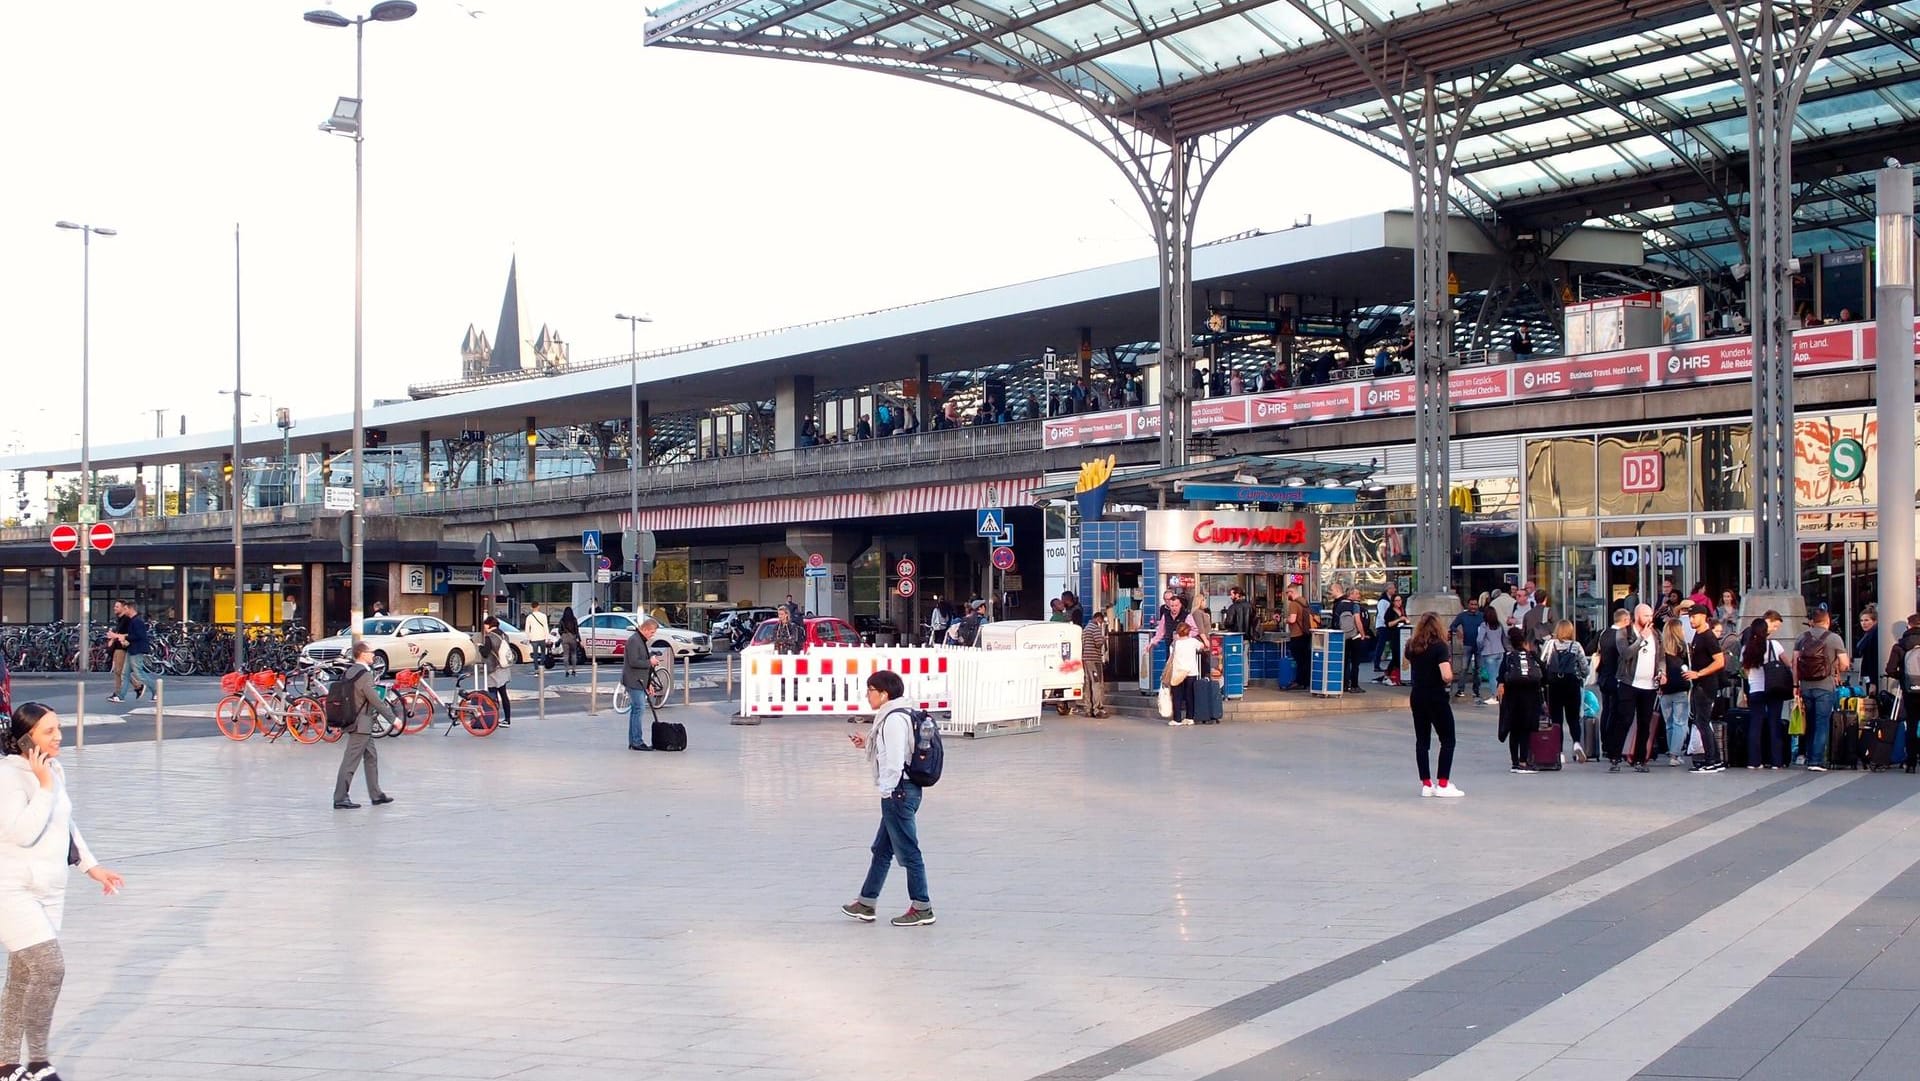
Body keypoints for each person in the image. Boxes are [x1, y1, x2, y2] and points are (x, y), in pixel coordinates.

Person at [0, 703, 124, 1081]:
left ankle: (12, 1064)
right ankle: (34, 1060)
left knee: (22, 977)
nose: (58, 736)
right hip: (12, 889)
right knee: (51, 969)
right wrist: (44, 787)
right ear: (26, 739)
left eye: (58, 728)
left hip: (51, 889)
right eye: (48, 731)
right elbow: (23, 833)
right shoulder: (8, 776)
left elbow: (66, 824)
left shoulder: (54, 769)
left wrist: (91, 866)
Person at [841, 670, 934, 927]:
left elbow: (894, 760)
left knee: (908, 850)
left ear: (884, 694)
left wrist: (888, 790)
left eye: (870, 690)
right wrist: (868, 742)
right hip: (903, 790)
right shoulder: (896, 714)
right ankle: (866, 902)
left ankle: (922, 905)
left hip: (899, 792)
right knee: (882, 850)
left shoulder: (893, 719)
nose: (867, 695)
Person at [333, 642, 398, 809]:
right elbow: (375, 699)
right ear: (361, 654)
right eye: (371, 652)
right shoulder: (364, 674)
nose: (373, 655)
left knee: (371, 757)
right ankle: (340, 797)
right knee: (350, 761)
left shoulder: (350, 671)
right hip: (361, 724)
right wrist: (393, 719)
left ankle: (376, 794)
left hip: (357, 721)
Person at [1405, 614, 1464, 798]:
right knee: (1447, 739)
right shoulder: (1440, 647)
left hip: (1417, 695)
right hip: (1436, 696)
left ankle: (1426, 783)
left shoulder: (1412, 646)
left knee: (1422, 741)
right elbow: (1446, 674)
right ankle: (1443, 783)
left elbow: (1405, 664)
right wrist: (1451, 676)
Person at [1790, 606, 1850, 771]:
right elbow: (1845, 664)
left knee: (1809, 722)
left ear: (1812, 622)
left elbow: (1794, 663)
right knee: (1822, 723)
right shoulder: (1834, 638)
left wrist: (1796, 685)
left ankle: (1809, 756)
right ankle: (1817, 761)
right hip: (1825, 686)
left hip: (1806, 686)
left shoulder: (1802, 637)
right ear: (1827, 621)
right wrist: (1836, 668)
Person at [1608, 604, 1659, 773]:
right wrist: (1641, 639)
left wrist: (1662, 672)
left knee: (1645, 723)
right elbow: (1626, 654)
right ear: (1636, 616)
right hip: (1629, 682)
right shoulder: (1624, 632)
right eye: (1645, 615)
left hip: (1649, 685)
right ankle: (1615, 756)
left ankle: (1640, 759)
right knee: (1625, 719)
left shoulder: (1656, 634)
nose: (1649, 619)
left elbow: (1662, 656)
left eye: (1651, 615)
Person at [1741, 611, 1789, 770]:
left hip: (1755, 689)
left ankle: (1754, 761)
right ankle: (1776, 761)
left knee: (1755, 724)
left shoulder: (1747, 648)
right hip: (1774, 687)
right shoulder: (1774, 645)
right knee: (1774, 723)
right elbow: (1787, 664)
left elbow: (1744, 670)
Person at [1683, 606, 1727, 773]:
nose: (1691, 620)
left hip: (1706, 685)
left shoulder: (1708, 637)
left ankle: (1711, 759)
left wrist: (1699, 673)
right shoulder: (1698, 635)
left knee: (1702, 722)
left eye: (1694, 617)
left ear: (1703, 616)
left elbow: (1719, 661)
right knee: (1702, 722)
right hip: (1699, 684)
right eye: (1690, 617)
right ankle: (1715, 759)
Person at [1497, 627, 1544, 773]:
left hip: (1512, 698)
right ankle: (1524, 762)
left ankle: (1515, 762)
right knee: (1525, 730)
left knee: (1514, 730)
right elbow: (1544, 673)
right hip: (1530, 698)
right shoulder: (1532, 656)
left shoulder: (1508, 656)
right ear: (1524, 642)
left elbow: (1501, 677)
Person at [1543, 620, 1590, 763]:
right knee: (1573, 718)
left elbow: (1542, 662)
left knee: (1556, 719)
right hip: (1572, 684)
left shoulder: (1550, 644)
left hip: (1554, 685)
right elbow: (1585, 668)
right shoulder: (1576, 646)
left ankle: (1559, 752)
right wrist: (1581, 677)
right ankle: (1576, 743)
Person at [1886, 614, 1920, 774]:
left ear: (1909, 626)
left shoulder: (1900, 645)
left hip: (1910, 690)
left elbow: (1890, 669)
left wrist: (1904, 677)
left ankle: (1911, 762)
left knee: (1911, 725)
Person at [622, 616, 663, 751]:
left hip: (639, 681)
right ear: (645, 629)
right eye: (652, 632)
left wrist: (648, 683)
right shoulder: (634, 640)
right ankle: (636, 741)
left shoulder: (639, 639)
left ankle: (634, 740)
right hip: (634, 681)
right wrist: (649, 662)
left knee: (636, 710)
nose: (652, 635)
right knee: (638, 709)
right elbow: (634, 662)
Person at [1658, 619, 1692, 767]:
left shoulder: (1661, 649)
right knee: (1680, 722)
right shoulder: (1683, 648)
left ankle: (1672, 751)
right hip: (1681, 688)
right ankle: (1675, 754)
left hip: (1664, 690)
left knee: (1669, 723)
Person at [1165, 623, 1204, 727]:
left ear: (1177, 632)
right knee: (1189, 695)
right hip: (1191, 672)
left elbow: (1171, 656)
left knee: (1177, 696)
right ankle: (1189, 718)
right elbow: (1202, 647)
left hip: (1178, 672)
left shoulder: (1174, 644)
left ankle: (1177, 719)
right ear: (1189, 631)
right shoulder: (1193, 641)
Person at [1335, 586, 1372, 694]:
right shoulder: (1355, 605)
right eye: (1357, 593)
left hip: (1343, 636)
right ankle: (1354, 685)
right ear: (1350, 594)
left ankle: (1344, 684)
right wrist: (1363, 634)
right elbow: (1358, 620)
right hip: (1354, 636)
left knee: (1345, 661)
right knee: (1355, 662)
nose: (1359, 595)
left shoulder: (1340, 605)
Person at [102, 601, 139, 705]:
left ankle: (121, 693)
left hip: (122, 648)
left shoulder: (127, 620)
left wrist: (115, 637)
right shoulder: (121, 620)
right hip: (118, 647)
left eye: (117, 606)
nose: (114, 608)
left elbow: (128, 634)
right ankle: (135, 687)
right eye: (114, 606)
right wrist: (113, 638)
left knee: (119, 671)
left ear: (124, 608)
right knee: (119, 671)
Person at [1449, 597, 1485, 700]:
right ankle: (1461, 689)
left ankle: (1476, 690)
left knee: (1478, 669)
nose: (1473, 607)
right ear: (1468, 605)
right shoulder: (1462, 616)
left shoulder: (1482, 616)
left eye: (1475, 604)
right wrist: (1458, 632)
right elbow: (1452, 626)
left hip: (1479, 646)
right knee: (1464, 668)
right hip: (1467, 645)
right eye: (1472, 604)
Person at [122, 604, 158, 703]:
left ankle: (156, 691)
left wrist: (126, 638)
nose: (124, 611)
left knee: (139, 673)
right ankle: (120, 696)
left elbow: (138, 636)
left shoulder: (137, 621)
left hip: (136, 650)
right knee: (125, 673)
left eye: (125, 609)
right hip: (132, 649)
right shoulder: (134, 621)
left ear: (131, 609)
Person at [482, 616, 513, 729]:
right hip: (504, 667)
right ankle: (507, 719)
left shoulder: (490, 637)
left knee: (492, 696)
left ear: (489, 625)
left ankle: (493, 720)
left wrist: (480, 647)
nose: (484, 627)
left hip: (494, 669)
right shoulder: (504, 635)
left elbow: (485, 653)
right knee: (504, 694)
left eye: (485, 624)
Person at [1283, 586, 1313, 690]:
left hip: (1297, 635)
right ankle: (1306, 681)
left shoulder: (1294, 604)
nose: (1287, 596)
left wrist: (1284, 620)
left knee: (1299, 660)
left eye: (1287, 593)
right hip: (1306, 634)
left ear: (1291, 592)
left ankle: (1299, 682)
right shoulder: (1304, 602)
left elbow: (1292, 619)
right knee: (1305, 660)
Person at [1081, 611, 1109, 718]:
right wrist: (1103, 638)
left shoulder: (1085, 629)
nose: (1101, 624)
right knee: (1097, 684)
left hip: (1086, 660)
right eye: (1101, 622)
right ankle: (1097, 709)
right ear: (1098, 619)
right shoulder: (1095, 628)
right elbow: (1098, 643)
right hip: (1094, 660)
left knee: (1088, 684)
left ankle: (1088, 708)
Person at [1475, 608, 1505, 706]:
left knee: (1492, 676)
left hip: (1489, 652)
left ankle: (1494, 696)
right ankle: (1501, 695)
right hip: (1500, 651)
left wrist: (1480, 648)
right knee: (1500, 675)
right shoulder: (1499, 624)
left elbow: (1479, 640)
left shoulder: (1484, 625)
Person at [1857, 605, 1881, 689]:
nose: (1863, 623)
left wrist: (1873, 682)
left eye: (1867, 620)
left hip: (1872, 676)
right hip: (1868, 676)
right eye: (1861, 620)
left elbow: (1873, 659)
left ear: (1874, 621)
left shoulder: (1874, 635)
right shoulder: (1867, 635)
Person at [523, 601, 551, 669]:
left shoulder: (529, 617)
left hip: (533, 638)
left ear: (531, 607)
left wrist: (528, 638)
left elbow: (527, 629)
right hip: (542, 637)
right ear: (538, 606)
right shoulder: (543, 616)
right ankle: (541, 666)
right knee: (543, 652)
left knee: (535, 654)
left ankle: (536, 668)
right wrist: (547, 638)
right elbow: (546, 627)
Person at [556, 607, 582, 676]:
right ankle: (574, 670)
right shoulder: (574, 619)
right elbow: (576, 629)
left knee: (566, 655)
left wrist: (563, 634)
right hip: (572, 637)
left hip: (565, 637)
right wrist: (579, 638)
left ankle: (566, 671)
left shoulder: (562, 620)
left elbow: (559, 630)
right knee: (573, 654)